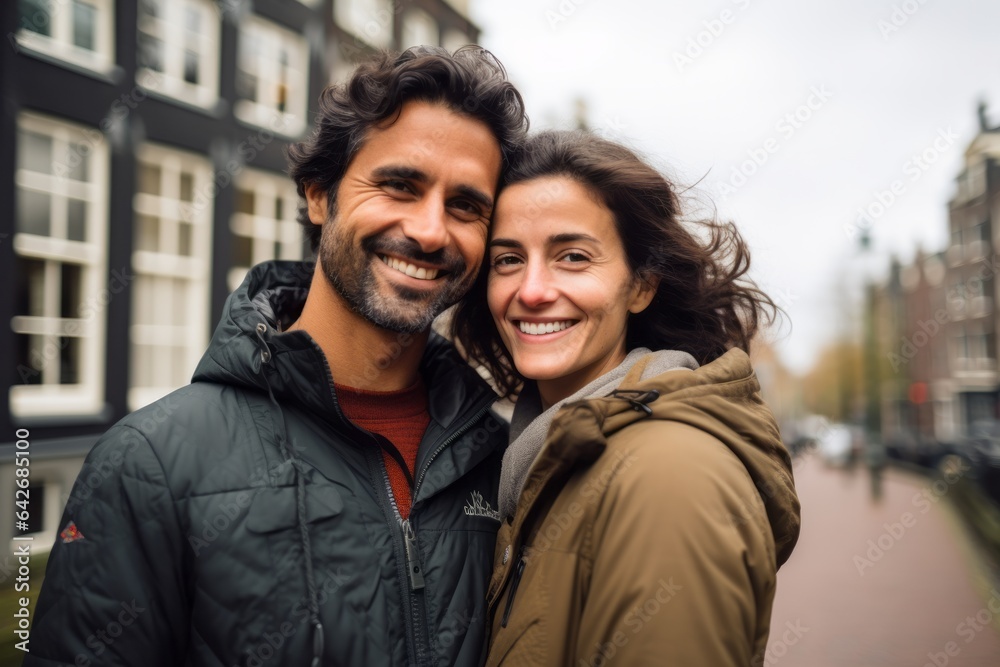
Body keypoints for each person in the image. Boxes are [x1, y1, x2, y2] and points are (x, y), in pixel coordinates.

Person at [25, 46, 528, 667]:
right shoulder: (148, 463)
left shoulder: (502, 462)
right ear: (320, 196)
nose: (430, 231)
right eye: (400, 185)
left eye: (466, 206)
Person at [451, 130, 802, 666]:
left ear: (641, 286)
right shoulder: (539, 456)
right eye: (507, 260)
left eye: (571, 256)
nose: (532, 290)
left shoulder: (668, 475)